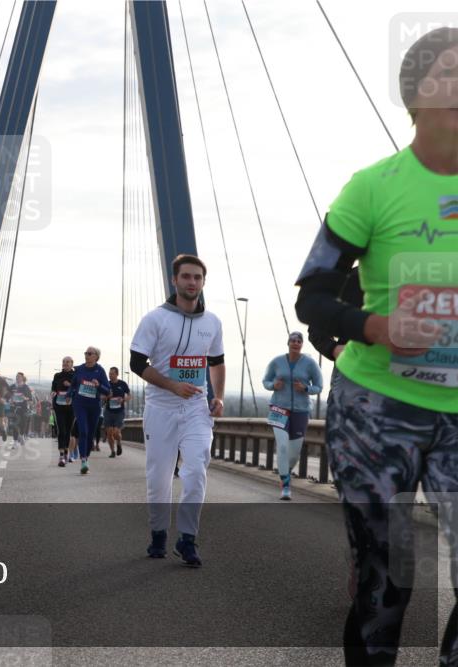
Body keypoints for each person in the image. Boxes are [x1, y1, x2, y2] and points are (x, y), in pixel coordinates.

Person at [294, 27, 458, 665]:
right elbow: (313, 297)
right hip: (378, 410)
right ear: (415, 94)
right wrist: (376, 326)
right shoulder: (373, 188)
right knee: (387, 579)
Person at [130, 254, 224, 567]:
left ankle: (187, 539)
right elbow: (136, 363)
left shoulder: (212, 323)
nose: (192, 282)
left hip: (196, 408)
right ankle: (158, 533)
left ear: (203, 282)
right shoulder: (155, 319)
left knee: (196, 468)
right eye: (186, 276)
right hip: (161, 407)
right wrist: (171, 385)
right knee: (159, 477)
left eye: (197, 277)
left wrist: (218, 396)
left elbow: (217, 361)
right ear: (175, 280)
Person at [261, 332, 322, 500]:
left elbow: (319, 386)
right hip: (279, 409)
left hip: (301, 411)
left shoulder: (310, 364)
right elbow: (265, 381)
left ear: (302, 344)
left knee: (294, 454)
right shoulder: (277, 362)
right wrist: (274, 385)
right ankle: (285, 485)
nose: (295, 343)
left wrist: (306, 388)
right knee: (282, 447)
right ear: (288, 343)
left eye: (299, 341)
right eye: (293, 341)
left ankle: (285, 472)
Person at [69, 347, 110, 474]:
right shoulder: (79, 369)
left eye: (89, 353)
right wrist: (69, 394)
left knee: (90, 434)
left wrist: (99, 385)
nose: (86, 355)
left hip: (94, 407)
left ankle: (86, 456)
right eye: (86, 353)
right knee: (83, 431)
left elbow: (107, 390)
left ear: (96, 356)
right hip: (80, 404)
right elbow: (73, 384)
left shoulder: (100, 371)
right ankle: (83, 460)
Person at [104, 366, 131, 458]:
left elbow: (129, 396)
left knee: (115, 432)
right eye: (109, 373)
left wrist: (123, 400)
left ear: (117, 374)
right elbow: (101, 397)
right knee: (109, 433)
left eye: (112, 374)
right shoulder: (106, 384)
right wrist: (107, 396)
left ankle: (119, 443)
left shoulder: (122, 384)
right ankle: (112, 451)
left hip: (119, 412)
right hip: (108, 411)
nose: (110, 375)